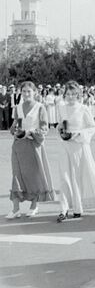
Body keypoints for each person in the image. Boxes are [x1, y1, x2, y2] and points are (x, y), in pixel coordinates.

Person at [56, 81, 95, 222]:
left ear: (78, 95)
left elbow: (93, 127)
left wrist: (78, 134)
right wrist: (60, 129)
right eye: (68, 94)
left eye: (74, 94)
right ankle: (63, 208)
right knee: (64, 176)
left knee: (76, 176)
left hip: (78, 145)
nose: (71, 97)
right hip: (65, 144)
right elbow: (60, 124)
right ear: (65, 95)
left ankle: (77, 208)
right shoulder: (61, 108)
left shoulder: (83, 108)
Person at [6, 82, 55, 219]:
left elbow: (45, 129)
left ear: (35, 92)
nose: (26, 94)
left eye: (29, 91)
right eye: (24, 91)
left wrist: (30, 132)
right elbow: (13, 127)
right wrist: (15, 129)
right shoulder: (17, 108)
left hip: (33, 146)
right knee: (16, 174)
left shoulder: (40, 107)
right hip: (18, 146)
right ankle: (15, 209)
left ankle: (34, 206)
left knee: (33, 175)